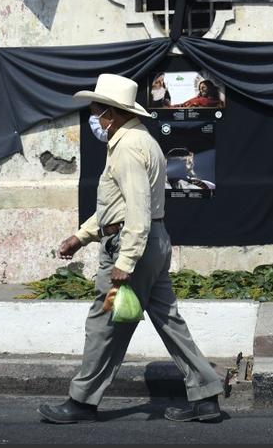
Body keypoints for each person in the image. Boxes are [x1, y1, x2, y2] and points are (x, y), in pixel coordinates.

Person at [38, 73, 224, 424]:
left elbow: (136, 209)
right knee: (169, 321)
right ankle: (206, 395)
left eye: (97, 111)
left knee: (104, 325)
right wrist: (82, 236)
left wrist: (126, 259)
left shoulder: (126, 148)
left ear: (112, 113)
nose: (95, 119)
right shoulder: (142, 140)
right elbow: (117, 205)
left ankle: (82, 402)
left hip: (131, 245)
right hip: (151, 241)